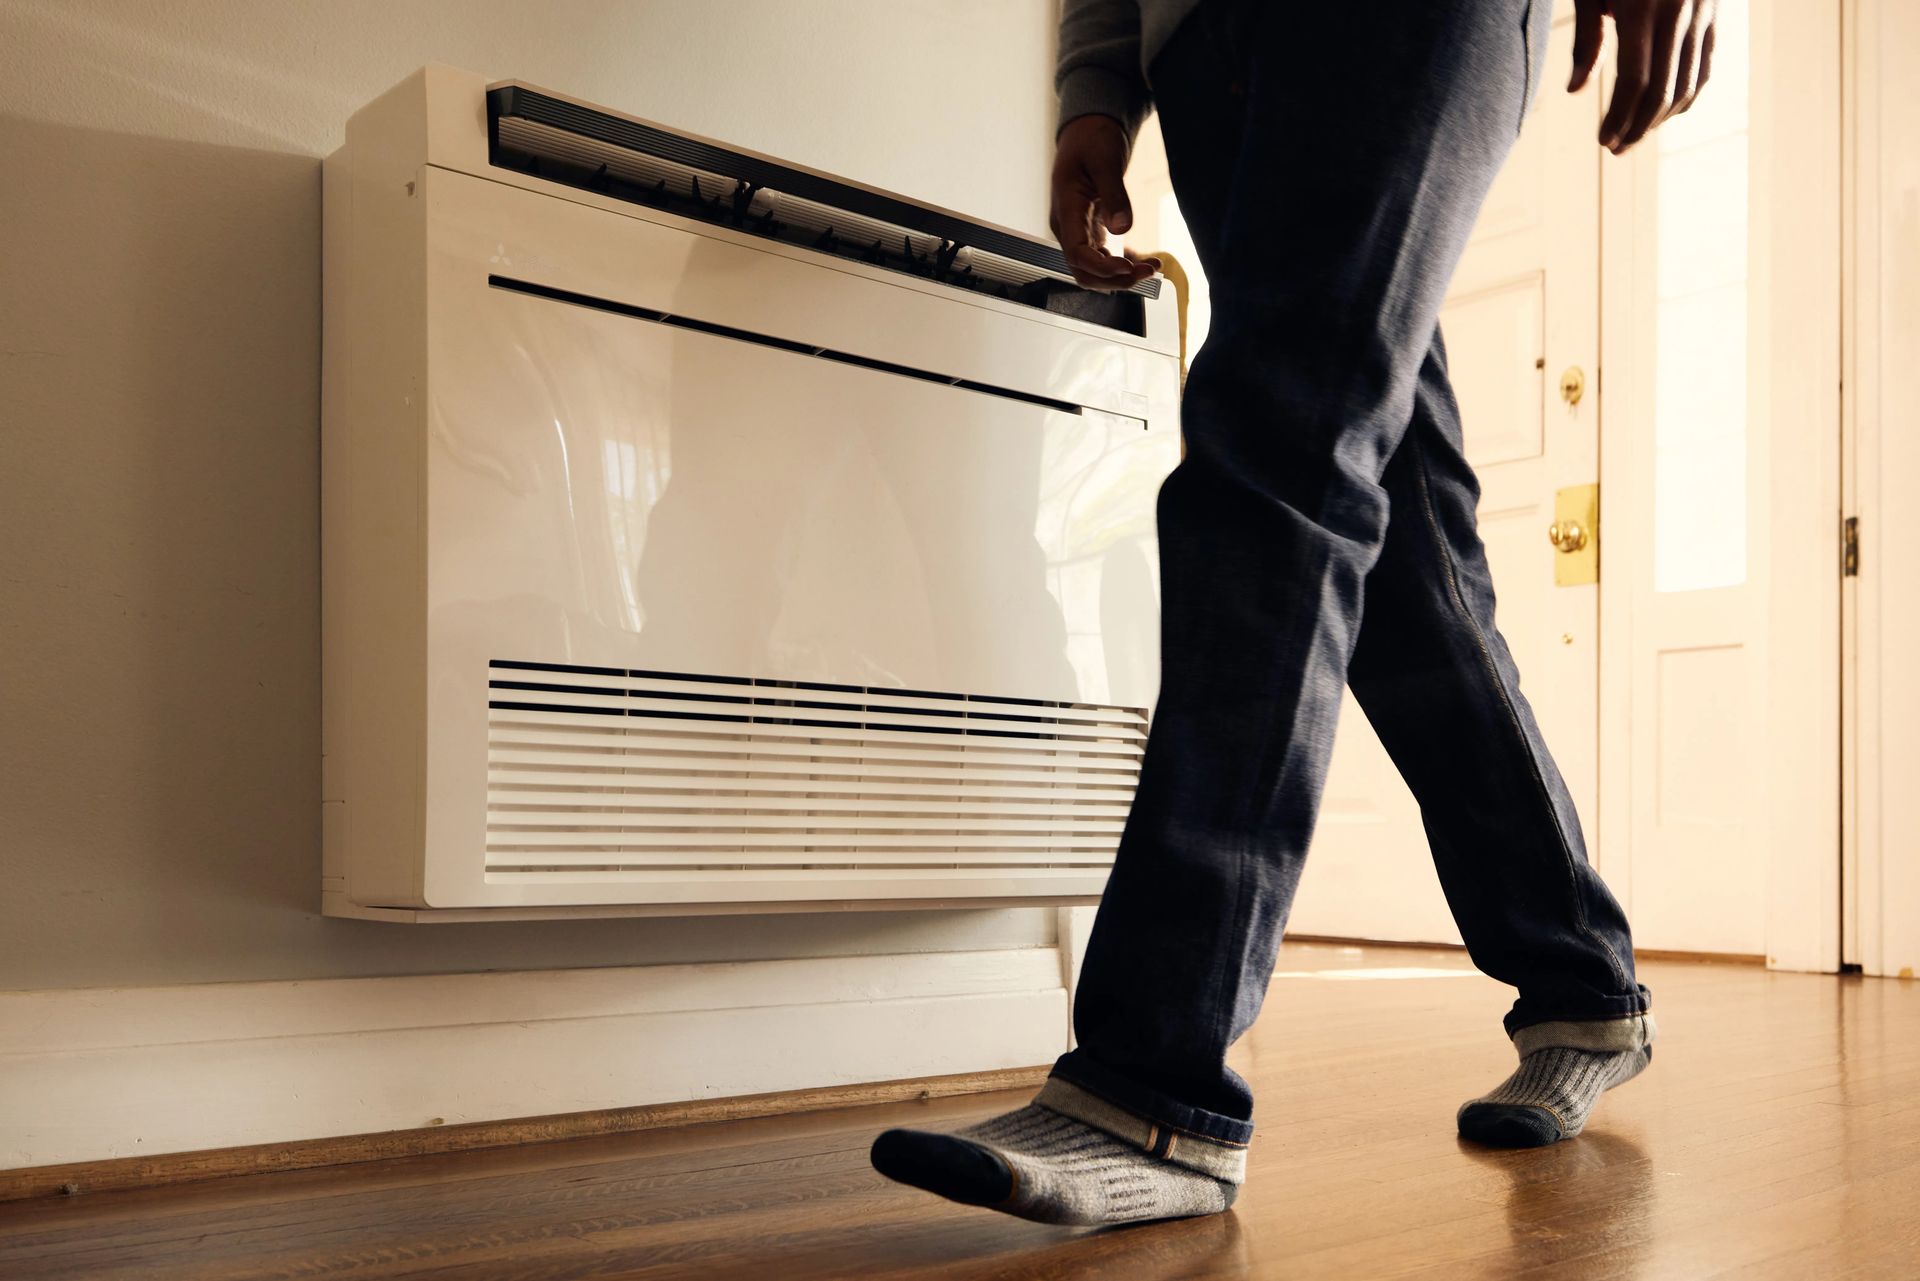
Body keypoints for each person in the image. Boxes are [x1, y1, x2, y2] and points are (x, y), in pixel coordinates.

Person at [871, 0, 1714, 1227]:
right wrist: (1098, 87)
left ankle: (1157, 1087)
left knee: (1279, 457)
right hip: (1211, 43)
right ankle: (1583, 980)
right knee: (1407, 551)